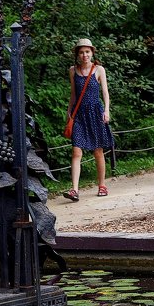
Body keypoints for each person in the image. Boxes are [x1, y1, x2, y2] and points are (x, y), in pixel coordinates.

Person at [62, 38, 113, 201]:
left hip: (95, 113)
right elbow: (73, 94)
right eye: (81, 52)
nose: (85, 55)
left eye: (87, 52)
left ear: (92, 52)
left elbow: (105, 93)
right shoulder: (72, 70)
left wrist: (106, 110)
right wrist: (69, 112)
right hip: (79, 115)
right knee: (76, 151)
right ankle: (74, 190)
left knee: (98, 151)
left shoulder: (99, 70)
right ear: (77, 54)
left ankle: (102, 185)